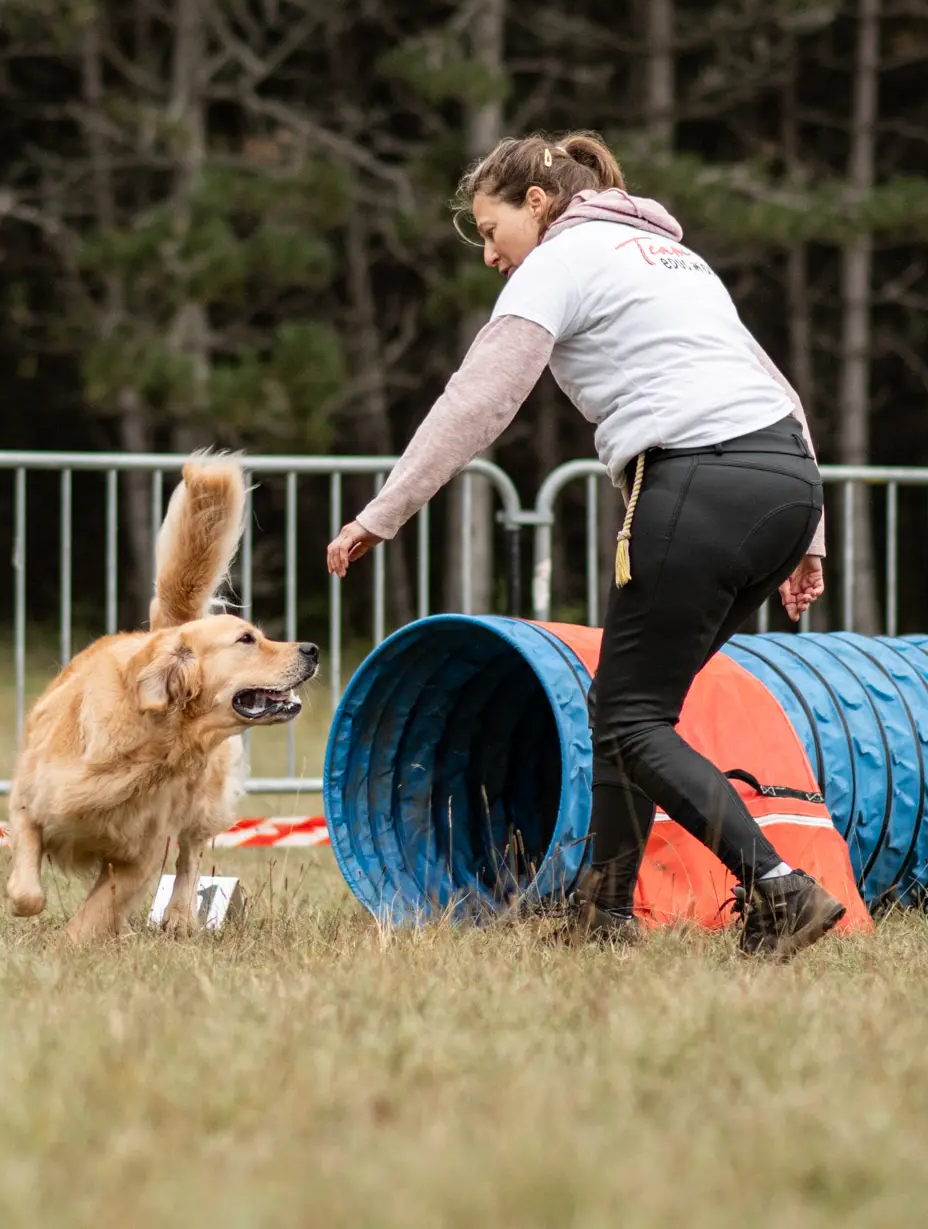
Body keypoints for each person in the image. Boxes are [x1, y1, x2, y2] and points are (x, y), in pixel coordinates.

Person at [323, 131, 846, 960]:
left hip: (696, 483)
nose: (492, 256)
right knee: (631, 708)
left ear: (538, 203)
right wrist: (808, 535)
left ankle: (778, 886)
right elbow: (776, 386)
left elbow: (479, 400)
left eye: (492, 233)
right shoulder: (675, 259)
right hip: (782, 480)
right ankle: (604, 913)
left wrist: (381, 512)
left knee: (632, 717)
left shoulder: (560, 262)